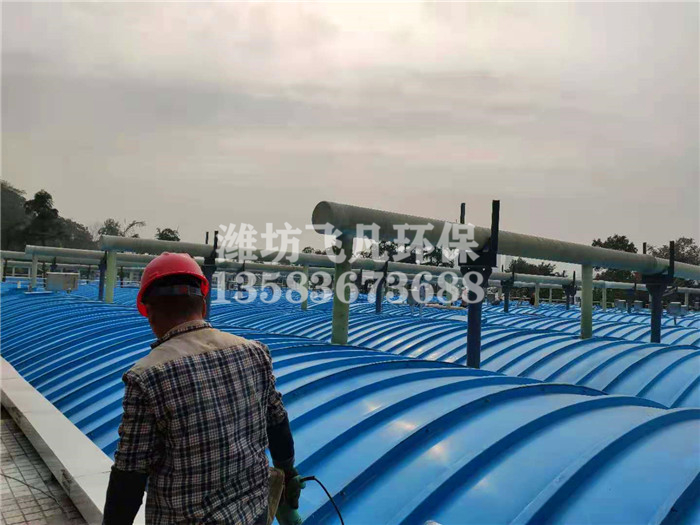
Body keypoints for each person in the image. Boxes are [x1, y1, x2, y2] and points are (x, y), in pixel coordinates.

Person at [103, 252, 302, 525]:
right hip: (253, 515)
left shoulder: (147, 376)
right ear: (203, 306)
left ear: (150, 313)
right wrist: (287, 472)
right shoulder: (255, 352)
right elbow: (277, 423)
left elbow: (130, 475)